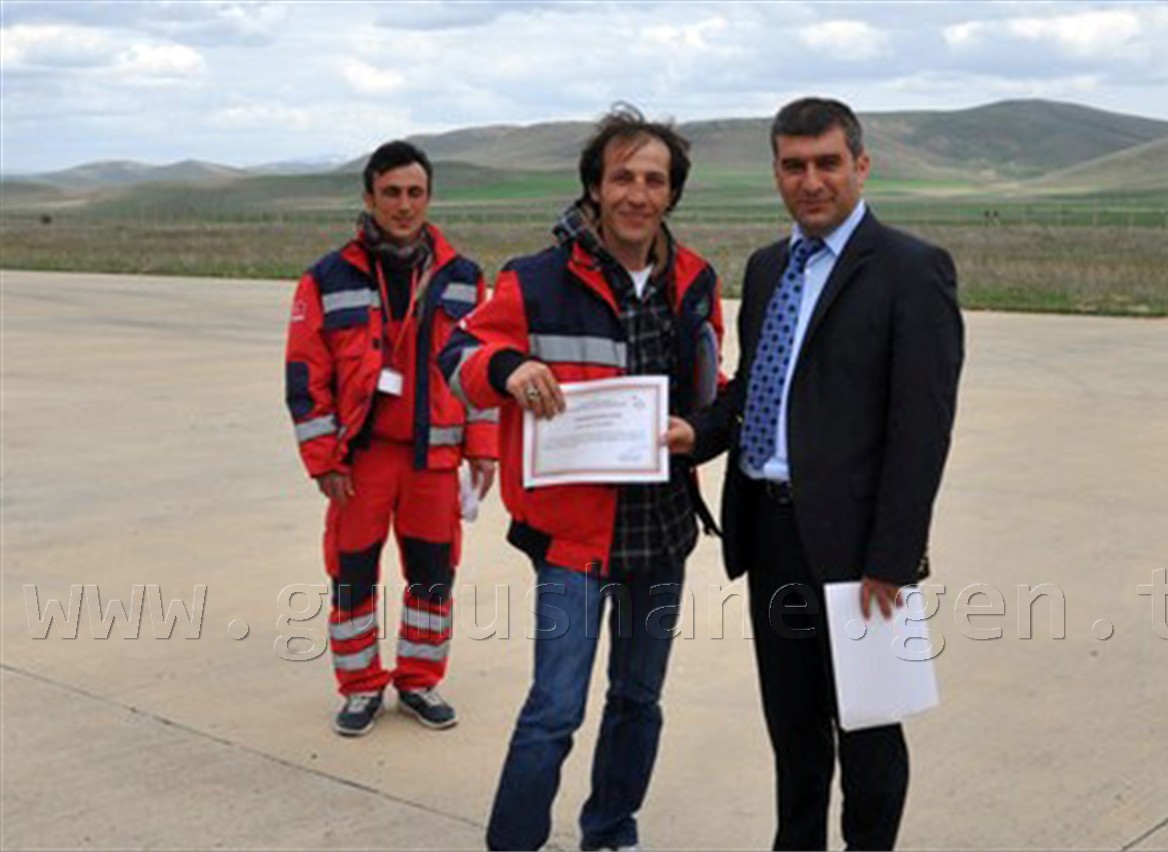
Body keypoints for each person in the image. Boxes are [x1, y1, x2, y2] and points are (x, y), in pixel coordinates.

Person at [670, 97, 964, 850]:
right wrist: (698, 433)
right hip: (771, 535)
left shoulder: (912, 270)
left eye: (828, 163)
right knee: (794, 730)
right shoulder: (769, 266)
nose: (811, 181)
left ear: (861, 166)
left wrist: (893, 557)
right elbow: (756, 388)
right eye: (793, 166)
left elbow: (922, 432)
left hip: (862, 552)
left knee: (869, 733)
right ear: (775, 172)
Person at [440, 105, 724, 852]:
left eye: (654, 180)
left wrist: (702, 430)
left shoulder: (695, 280)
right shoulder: (535, 279)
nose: (638, 194)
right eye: (622, 177)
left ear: (672, 193)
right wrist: (509, 367)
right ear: (595, 187)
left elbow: (709, 385)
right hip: (573, 539)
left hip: (661, 530)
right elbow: (458, 358)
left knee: (638, 700)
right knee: (555, 709)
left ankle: (611, 830)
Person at [285, 140, 497, 737]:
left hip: (435, 458)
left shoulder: (463, 278)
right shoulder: (327, 278)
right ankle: (359, 687)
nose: (404, 206)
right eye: (391, 193)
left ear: (429, 197)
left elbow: (481, 369)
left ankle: (419, 681)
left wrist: (484, 445)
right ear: (369, 197)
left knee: (433, 575)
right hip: (361, 460)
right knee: (352, 573)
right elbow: (305, 375)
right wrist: (323, 457)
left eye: (415, 193)